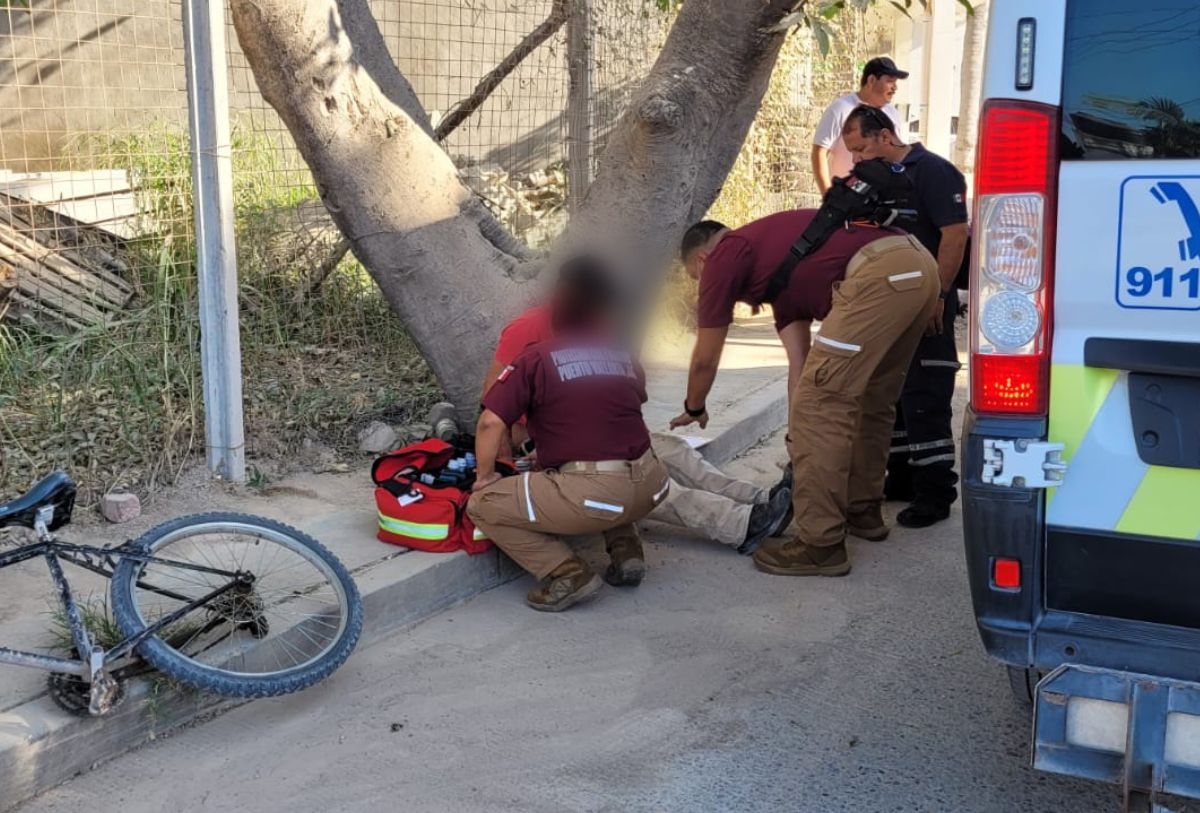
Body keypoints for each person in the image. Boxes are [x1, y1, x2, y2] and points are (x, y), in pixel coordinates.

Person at [671, 165, 939, 577]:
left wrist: (695, 405)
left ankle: (820, 544)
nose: (702, 284)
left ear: (703, 257)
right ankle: (862, 511)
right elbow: (802, 363)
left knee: (824, 406)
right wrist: (796, 431)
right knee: (869, 399)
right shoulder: (781, 273)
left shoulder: (726, 254)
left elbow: (706, 354)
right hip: (917, 266)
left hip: (880, 275)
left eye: (697, 276)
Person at [481, 288, 793, 557]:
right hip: (558, 444)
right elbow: (492, 407)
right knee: (641, 481)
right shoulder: (528, 334)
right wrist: (506, 459)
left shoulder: (598, 333)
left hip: (595, 431)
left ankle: (757, 498)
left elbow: (624, 400)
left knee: (672, 450)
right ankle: (743, 523)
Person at [467, 257, 670, 612]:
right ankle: (626, 550)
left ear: (556, 314)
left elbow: (489, 422)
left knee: (483, 505)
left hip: (597, 497)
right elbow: (623, 409)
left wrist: (485, 478)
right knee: (606, 486)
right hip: (653, 486)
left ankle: (567, 572)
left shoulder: (536, 358)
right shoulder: (622, 353)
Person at [841, 104, 968, 528]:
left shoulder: (933, 172)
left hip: (928, 302)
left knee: (925, 395)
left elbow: (953, 238)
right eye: (852, 153)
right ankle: (901, 479)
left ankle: (935, 492)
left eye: (860, 148)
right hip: (888, 306)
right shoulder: (874, 182)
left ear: (884, 136)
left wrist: (938, 294)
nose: (857, 159)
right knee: (888, 395)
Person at [811, 57, 907, 195]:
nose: (895, 87)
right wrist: (828, 197)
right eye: (890, 81)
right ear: (872, 80)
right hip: (848, 199)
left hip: (881, 201)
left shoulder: (892, 113)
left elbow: (897, 153)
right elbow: (819, 153)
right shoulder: (840, 109)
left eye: (896, 82)